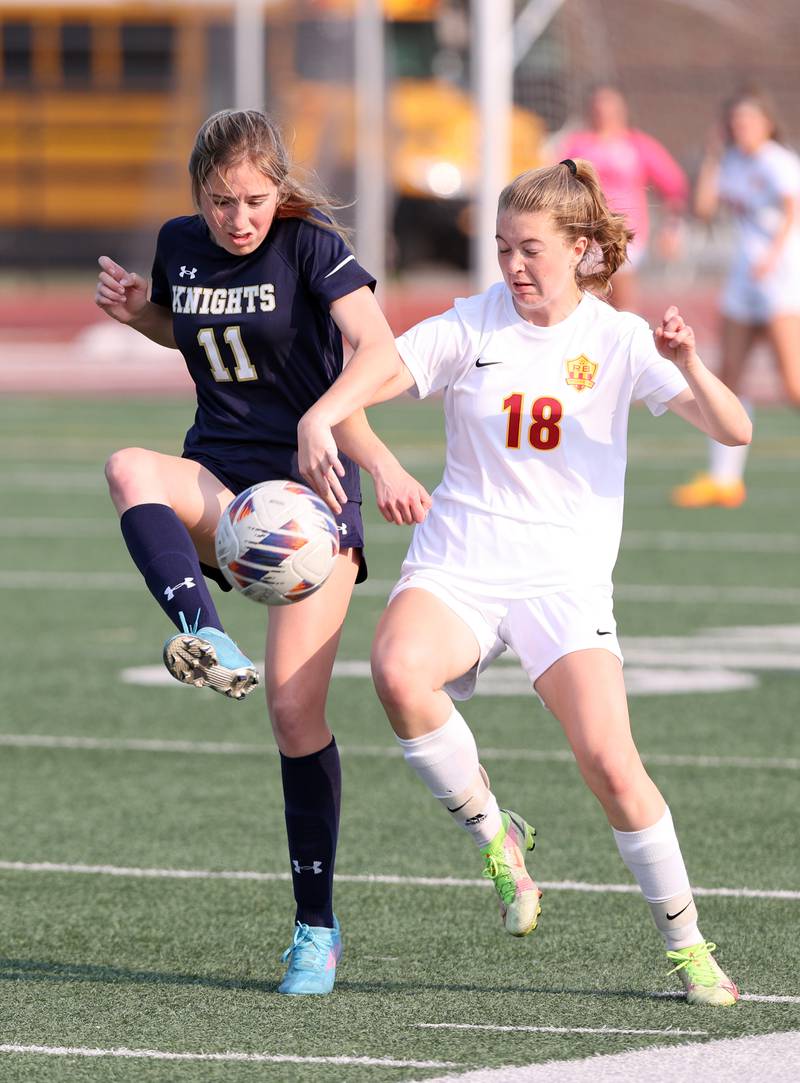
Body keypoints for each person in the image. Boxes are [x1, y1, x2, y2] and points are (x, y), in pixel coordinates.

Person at [299, 159, 751, 1006]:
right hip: (460, 558)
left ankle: (688, 944)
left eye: (531, 248)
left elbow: (735, 426)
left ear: (581, 249)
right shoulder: (473, 324)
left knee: (612, 763)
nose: (512, 264)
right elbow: (377, 374)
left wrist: (689, 362)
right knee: (398, 671)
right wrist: (324, 414)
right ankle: (493, 834)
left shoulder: (617, 339)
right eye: (502, 246)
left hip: (565, 579)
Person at [94, 108, 429, 997]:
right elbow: (198, 336)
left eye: (251, 199)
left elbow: (380, 351)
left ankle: (315, 929)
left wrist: (326, 420)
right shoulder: (180, 244)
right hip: (219, 480)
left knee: (293, 717)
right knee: (129, 466)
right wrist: (143, 316)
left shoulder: (310, 245)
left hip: (309, 499)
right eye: (218, 201)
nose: (236, 218)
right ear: (196, 196)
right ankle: (208, 637)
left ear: (278, 188)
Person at [673, 87, 800, 508]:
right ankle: (724, 479)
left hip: (780, 285)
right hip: (744, 285)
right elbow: (704, 209)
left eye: (748, 121)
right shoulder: (732, 163)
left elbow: (792, 209)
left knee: (793, 385)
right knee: (727, 380)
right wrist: (711, 156)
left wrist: (775, 255)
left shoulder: (778, 162)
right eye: (735, 123)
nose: (741, 128)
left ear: (766, 123)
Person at [556, 84, 688, 312]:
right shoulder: (578, 144)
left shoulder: (637, 145)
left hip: (625, 230)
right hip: (586, 230)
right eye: (599, 108)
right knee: (585, 300)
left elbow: (673, 186)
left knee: (622, 297)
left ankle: (625, 344)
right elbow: (555, 183)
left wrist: (672, 229)